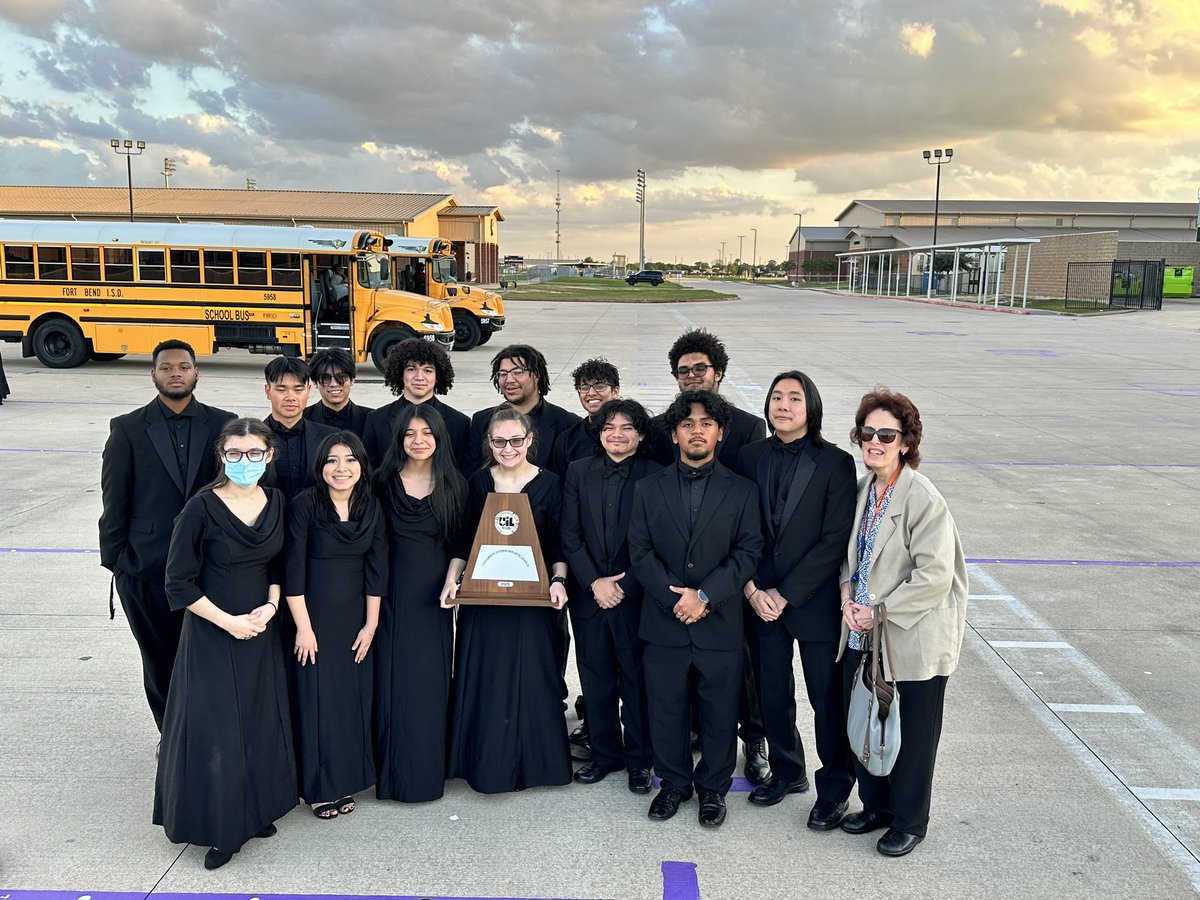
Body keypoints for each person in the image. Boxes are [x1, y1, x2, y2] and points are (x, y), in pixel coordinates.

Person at [154, 418, 296, 871]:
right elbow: (178, 582)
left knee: (257, 723)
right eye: (235, 454)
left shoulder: (276, 501)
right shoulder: (200, 508)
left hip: (260, 628)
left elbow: (279, 567)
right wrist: (228, 622)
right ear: (222, 456)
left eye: (254, 454)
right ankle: (222, 827)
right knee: (219, 732)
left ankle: (255, 811)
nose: (244, 462)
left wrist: (271, 611)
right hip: (214, 633)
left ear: (269, 456)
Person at [837, 387, 968, 857]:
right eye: (867, 432)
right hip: (864, 633)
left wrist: (879, 610)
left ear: (906, 442)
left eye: (886, 434)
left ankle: (910, 820)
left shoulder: (922, 497)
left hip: (911, 637)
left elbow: (934, 575)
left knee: (912, 734)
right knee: (869, 719)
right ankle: (877, 807)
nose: (875, 441)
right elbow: (852, 558)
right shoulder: (864, 489)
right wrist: (848, 594)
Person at [627, 391, 763, 829]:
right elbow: (640, 551)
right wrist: (675, 599)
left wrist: (704, 596)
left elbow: (747, 552)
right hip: (663, 624)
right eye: (688, 424)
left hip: (718, 622)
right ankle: (674, 785)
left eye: (706, 423)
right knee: (665, 709)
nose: (697, 430)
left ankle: (712, 791)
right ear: (674, 434)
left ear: (720, 433)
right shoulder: (647, 488)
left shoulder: (743, 491)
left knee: (719, 712)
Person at [646, 329, 770, 784]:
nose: (692, 377)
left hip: (733, 572)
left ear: (718, 372)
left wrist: (732, 583)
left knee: (746, 664)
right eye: (684, 371)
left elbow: (752, 506)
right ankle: (691, 738)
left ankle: (753, 737)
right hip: (680, 568)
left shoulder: (749, 427)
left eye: (700, 368)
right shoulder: (667, 427)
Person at [736, 371, 858, 830]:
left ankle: (834, 789)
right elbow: (737, 528)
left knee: (826, 700)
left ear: (812, 406)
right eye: (775, 397)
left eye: (794, 397)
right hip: (759, 601)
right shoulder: (749, 457)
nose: (782, 405)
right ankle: (787, 772)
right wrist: (752, 590)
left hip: (811, 601)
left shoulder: (836, 463)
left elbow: (833, 541)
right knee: (772, 694)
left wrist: (784, 593)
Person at [99, 340, 235, 732]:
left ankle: (209, 732)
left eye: (184, 366)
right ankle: (169, 734)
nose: (175, 372)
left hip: (208, 567)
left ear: (196, 372)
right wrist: (119, 563)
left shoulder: (222, 423)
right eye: (166, 367)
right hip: (146, 568)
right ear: (153, 373)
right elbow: (114, 499)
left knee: (207, 657)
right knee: (158, 658)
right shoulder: (127, 428)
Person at [442, 405, 573, 793]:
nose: (508, 448)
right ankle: (481, 762)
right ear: (490, 442)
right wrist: (453, 581)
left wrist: (559, 581)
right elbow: (462, 541)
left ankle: (534, 766)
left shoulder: (550, 483)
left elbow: (558, 544)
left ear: (529, 441)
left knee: (533, 680)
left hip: (533, 603)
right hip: (483, 602)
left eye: (516, 440)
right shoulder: (478, 482)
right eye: (499, 441)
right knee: (484, 678)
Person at [285, 431, 386, 819]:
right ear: (320, 466)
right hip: (311, 620)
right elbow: (293, 570)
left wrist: (371, 625)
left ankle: (344, 781)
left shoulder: (371, 507)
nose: (341, 469)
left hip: (355, 622)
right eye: (332, 460)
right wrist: (304, 628)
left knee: (350, 701)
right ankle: (318, 788)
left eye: (349, 460)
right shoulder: (305, 505)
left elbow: (378, 569)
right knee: (316, 701)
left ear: (362, 465)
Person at [560, 398, 660, 793]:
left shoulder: (656, 476)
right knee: (595, 676)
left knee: (636, 679)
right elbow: (569, 533)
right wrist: (593, 582)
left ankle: (639, 759)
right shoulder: (577, 472)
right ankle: (604, 754)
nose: (616, 435)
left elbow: (658, 542)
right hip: (589, 596)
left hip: (635, 597)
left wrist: (624, 584)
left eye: (626, 428)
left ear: (640, 434)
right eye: (608, 428)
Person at [373, 404, 467, 802]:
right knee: (391, 684)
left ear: (439, 438)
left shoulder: (454, 484)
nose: (418, 441)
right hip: (390, 596)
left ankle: (428, 772)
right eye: (410, 434)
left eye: (427, 433)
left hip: (434, 600)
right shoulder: (380, 482)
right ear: (399, 439)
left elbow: (460, 542)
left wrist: (452, 579)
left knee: (428, 684)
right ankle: (389, 773)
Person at [462, 344, 580, 474]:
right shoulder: (482, 420)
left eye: (517, 372)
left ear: (536, 375)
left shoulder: (568, 423)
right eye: (503, 374)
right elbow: (469, 476)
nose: (509, 380)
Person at [363, 338, 470, 468]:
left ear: (437, 376)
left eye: (428, 370)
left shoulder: (459, 423)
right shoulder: (376, 420)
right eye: (411, 369)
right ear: (400, 373)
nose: (419, 377)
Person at [261, 356, 337, 501]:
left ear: (308, 391)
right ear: (268, 391)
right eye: (282, 389)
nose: (291, 397)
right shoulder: (251, 440)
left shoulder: (330, 438)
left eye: (298, 389)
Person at [549, 357, 618, 476]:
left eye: (600, 386)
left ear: (615, 392)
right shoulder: (567, 440)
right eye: (585, 387)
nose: (591, 393)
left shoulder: (633, 433)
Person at [303, 348, 373, 437]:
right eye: (325, 378)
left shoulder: (372, 419)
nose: (334, 384)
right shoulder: (302, 419)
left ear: (352, 380)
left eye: (341, 377)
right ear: (315, 383)